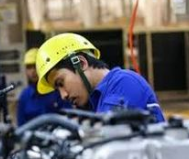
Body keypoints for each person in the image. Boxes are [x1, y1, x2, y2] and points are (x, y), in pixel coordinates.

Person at [36, 33, 165, 122]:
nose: (63, 95)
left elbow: (109, 136)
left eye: (60, 83)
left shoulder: (123, 83)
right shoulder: (96, 102)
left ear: (81, 63)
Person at [17, 48, 72, 126]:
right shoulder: (25, 95)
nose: (33, 71)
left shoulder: (57, 90)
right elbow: (21, 125)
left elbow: (69, 118)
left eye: (35, 66)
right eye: (29, 67)